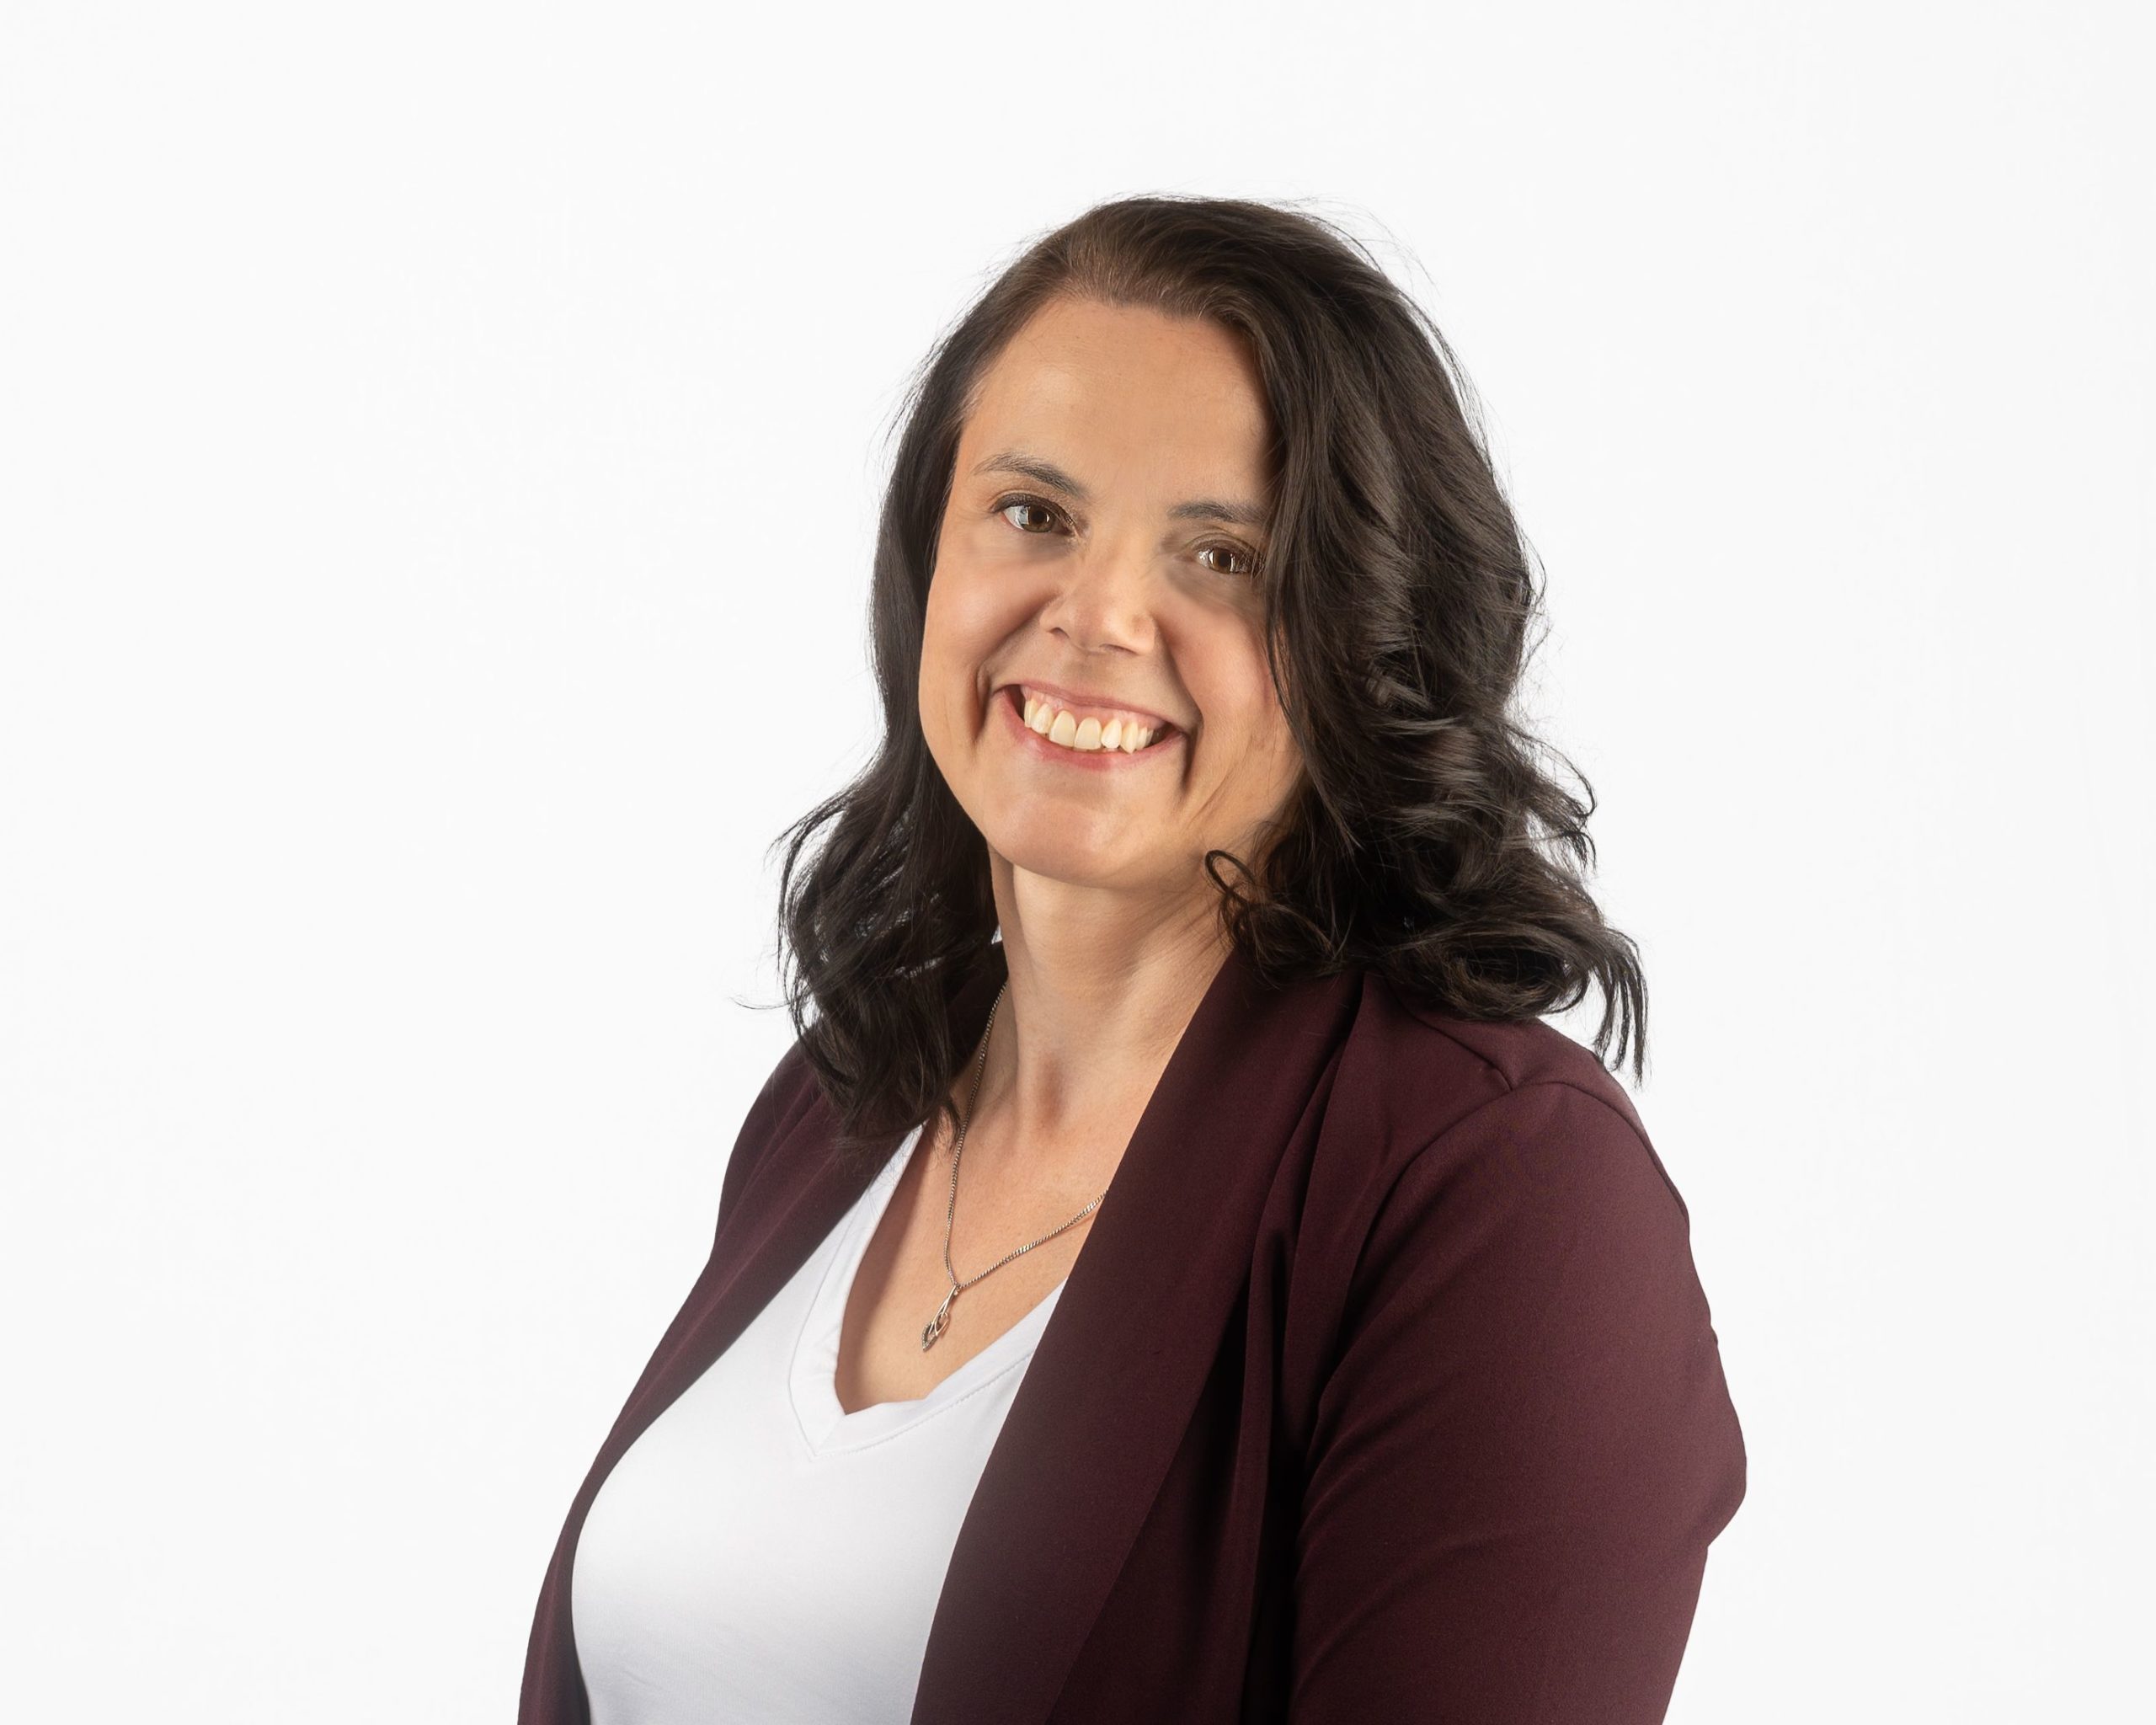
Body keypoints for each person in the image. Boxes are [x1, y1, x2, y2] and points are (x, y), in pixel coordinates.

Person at [520, 194, 1747, 1724]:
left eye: (1224, 556)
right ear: (927, 564)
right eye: (1033, 514)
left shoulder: (1503, 1191)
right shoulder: (844, 1106)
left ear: (1371, 636)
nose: (1095, 615)